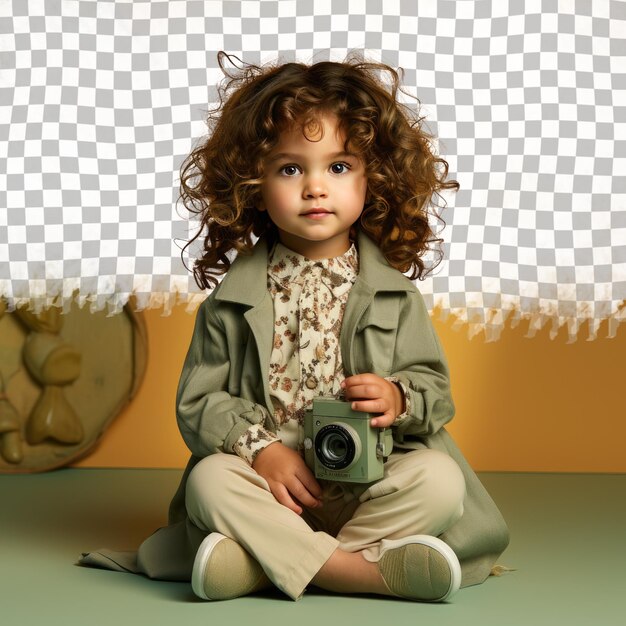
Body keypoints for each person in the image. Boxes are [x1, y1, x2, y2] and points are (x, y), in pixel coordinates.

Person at [80, 52, 509, 602]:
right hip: (271, 485)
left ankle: (263, 563)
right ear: (251, 182)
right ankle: (359, 572)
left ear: (373, 176)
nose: (314, 187)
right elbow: (199, 402)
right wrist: (259, 449)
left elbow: (436, 392)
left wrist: (399, 399)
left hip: (368, 481)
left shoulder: (394, 296)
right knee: (212, 483)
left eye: (337, 166)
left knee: (440, 481)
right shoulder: (232, 303)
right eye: (290, 168)